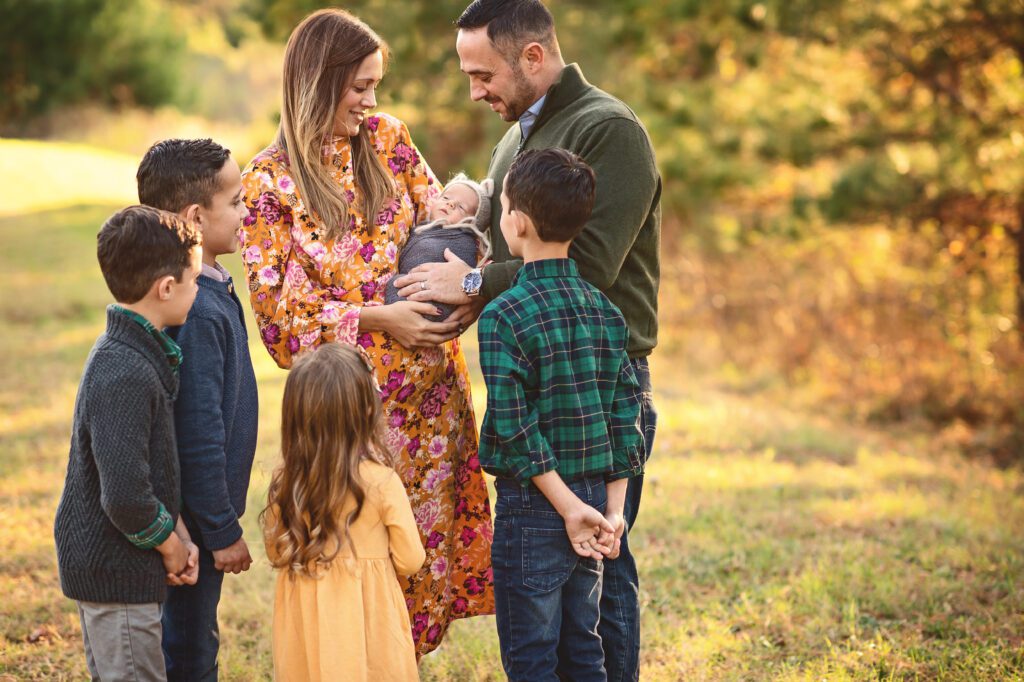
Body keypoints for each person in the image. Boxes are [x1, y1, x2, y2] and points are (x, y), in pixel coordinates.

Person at [395, 1, 662, 677]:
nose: (475, 90)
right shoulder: (522, 129)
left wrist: (474, 283)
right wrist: (473, 200)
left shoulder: (610, 130)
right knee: (552, 557)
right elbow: (520, 205)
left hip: (600, 378)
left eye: (483, 74)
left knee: (603, 559)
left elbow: (586, 264)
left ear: (533, 58)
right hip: (539, 365)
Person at [239, 8, 494, 655]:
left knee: (418, 567)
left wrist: (466, 294)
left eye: (375, 85)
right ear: (318, 83)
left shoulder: (390, 140)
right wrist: (380, 318)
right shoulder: (268, 184)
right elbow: (279, 330)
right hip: (347, 423)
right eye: (359, 87)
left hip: (431, 408)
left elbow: (450, 234)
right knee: (356, 574)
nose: (371, 100)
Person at [477, 148, 644, 681]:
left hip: (537, 509)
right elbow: (626, 418)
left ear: (517, 222)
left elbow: (515, 426)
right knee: (584, 650)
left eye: (501, 207)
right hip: (596, 506)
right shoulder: (607, 311)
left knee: (532, 657)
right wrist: (612, 512)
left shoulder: (503, 314)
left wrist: (568, 509)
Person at [54, 205, 202, 681]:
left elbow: (151, 466)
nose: (198, 289)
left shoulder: (140, 352)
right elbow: (124, 493)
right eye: (194, 280)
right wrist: (170, 547)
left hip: (125, 568)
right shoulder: (124, 370)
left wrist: (176, 527)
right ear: (166, 288)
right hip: (114, 571)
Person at [136, 138, 259, 681]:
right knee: (188, 649)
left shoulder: (203, 292)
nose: (244, 212)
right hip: (194, 530)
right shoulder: (200, 312)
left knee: (189, 636)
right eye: (234, 202)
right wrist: (221, 530)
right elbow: (198, 432)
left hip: (195, 521)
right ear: (194, 216)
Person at [262, 343, 426, 682]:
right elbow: (411, 559)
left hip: (306, 615)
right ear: (367, 410)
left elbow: (276, 550)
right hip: (369, 618)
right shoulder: (381, 482)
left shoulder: (286, 482)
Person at [384, 174, 492, 321]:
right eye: (446, 198)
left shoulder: (464, 242)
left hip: (436, 303)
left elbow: (463, 270)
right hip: (412, 295)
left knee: (394, 284)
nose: (450, 204)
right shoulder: (424, 227)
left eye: (461, 207)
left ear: (475, 223)